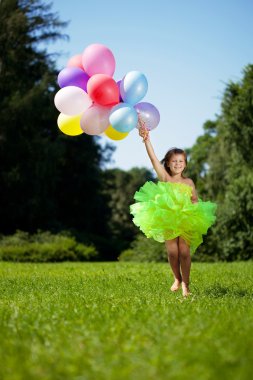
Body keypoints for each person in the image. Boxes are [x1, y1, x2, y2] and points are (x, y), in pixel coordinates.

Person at [130, 120, 217, 297]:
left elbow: (194, 199)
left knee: (184, 252)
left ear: (185, 164)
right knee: (172, 251)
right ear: (168, 164)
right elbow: (153, 158)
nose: (177, 164)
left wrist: (195, 211)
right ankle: (176, 278)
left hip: (186, 218)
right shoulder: (165, 178)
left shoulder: (189, 182)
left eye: (181, 161)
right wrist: (147, 139)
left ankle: (186, 284)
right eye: (174, 161)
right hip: (168, 217)